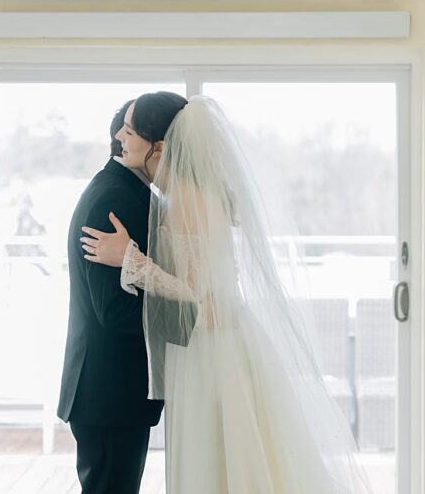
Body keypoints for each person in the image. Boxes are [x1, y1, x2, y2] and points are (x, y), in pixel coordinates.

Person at [81, 93, 372, 494]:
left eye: (130, 131)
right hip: (211, 339)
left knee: (220, 464)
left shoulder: (187, 199)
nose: (119, 137)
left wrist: (132, 260)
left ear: (160, 147)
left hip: (212, 351)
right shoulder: (180, 195)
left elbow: (192, 292)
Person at [57, 95, 184, 493]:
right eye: (124, 129)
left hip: (113, 393)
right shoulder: (115, 199)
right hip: (108, 393)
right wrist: (188, 321)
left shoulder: (131, 192)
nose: (118, 137)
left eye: (129, 130)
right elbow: (112, 310)